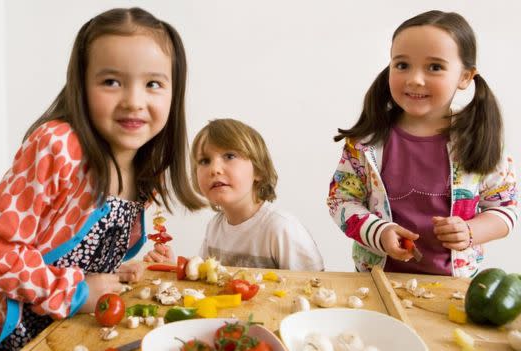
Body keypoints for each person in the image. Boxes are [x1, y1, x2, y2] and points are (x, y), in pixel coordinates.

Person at [0, 7, 203, 350]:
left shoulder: (147, 169)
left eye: (153, 83)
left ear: (173, 92)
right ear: (82, 84)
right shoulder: (58, 147)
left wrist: (115, 273)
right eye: (111, 82)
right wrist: (75, 293)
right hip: (9, 339)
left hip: (69, 334)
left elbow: (73, 252)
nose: (134, 101)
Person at [327, 10, 518, 277]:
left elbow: (505, 208)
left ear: (465, 77)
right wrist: (379, 232)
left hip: (454, 289)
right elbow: (341, 200)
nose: (415, 79)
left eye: (435, 67)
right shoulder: (365, 143)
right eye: (402, 65)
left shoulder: (480, 141)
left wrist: (471, 231)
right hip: (377, 282)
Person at [146, 118, 324, 271]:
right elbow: (204, 281)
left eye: (229, 156)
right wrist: (171, 267)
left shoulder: (281, 228)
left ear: (259, 170)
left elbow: (314, 286)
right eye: (204, 161)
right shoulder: (215, 228)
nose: (214, 169)